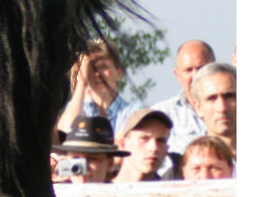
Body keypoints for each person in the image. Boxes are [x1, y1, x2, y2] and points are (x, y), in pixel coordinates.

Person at [151, 40, 214, 170]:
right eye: (188, 70)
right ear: (177, 75)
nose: (195, 75)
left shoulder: (232, 109)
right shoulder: (159, 114)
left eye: (201, 68)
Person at [57, 37, 139, 137]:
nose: (97, 74)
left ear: (118, 73)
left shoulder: (134, 115)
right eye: (90, 69)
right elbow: (66, 134)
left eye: (103, 67)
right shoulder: (64, 116)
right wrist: (83, 84)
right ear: (76, 77)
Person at [191, 62, 236, 164]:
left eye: (229, 96)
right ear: (198, 107)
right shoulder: (188, 165)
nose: (222, 108)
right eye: (211, 99)